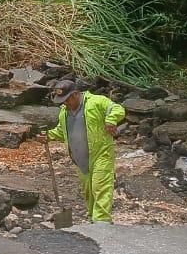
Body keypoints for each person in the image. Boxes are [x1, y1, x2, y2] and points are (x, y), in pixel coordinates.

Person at [42, 79, 126, 223]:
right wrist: (47, 135)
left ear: (75, 94)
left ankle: (102, 223)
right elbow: (63, 132)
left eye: (66, 100)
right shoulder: (64, 112)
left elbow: (117, 109)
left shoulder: (96, 102)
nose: (64, 103)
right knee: (88, 192)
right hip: (80, 159)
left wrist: (111, 120)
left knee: (100, 187)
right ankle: (92, 220)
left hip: (101, 154)